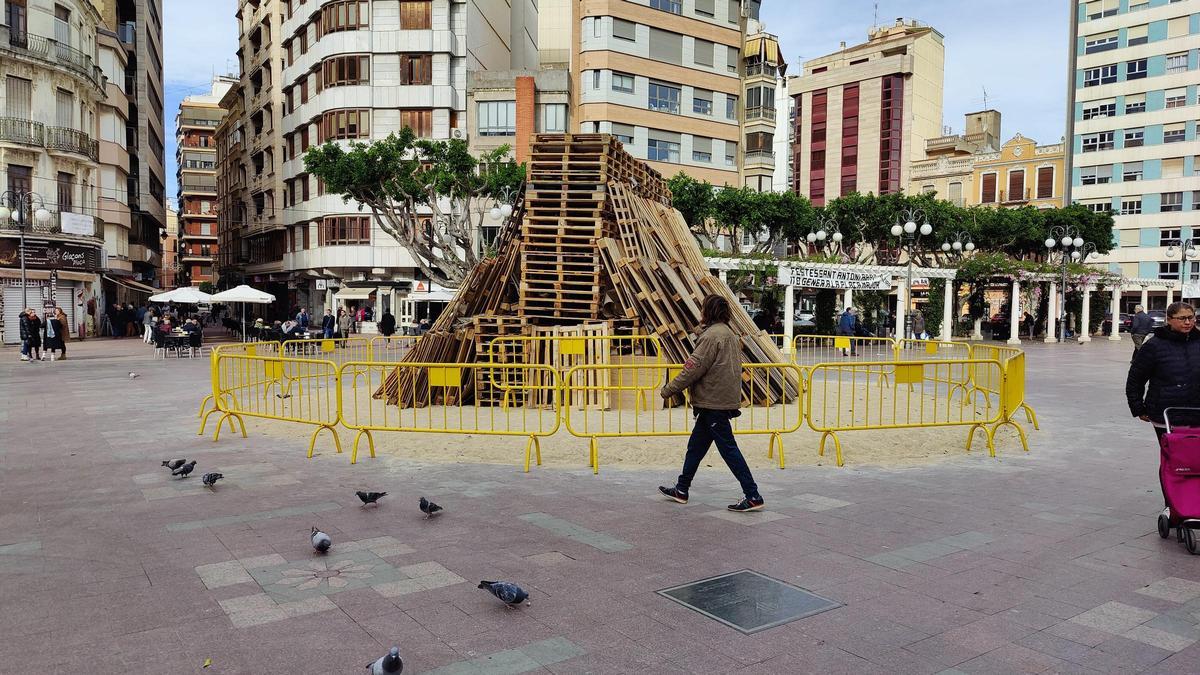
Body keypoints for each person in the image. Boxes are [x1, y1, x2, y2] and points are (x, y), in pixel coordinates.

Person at [658, 294, 764, 513]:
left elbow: (692, 369)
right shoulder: (729, 333)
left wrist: (668, 390)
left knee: (728, 449)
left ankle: (753, 495)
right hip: (718, 400)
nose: (700, 312)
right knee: (695, 447)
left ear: (709, 311)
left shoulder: (711, 337)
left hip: (713, 402)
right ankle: (682, 488)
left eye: (703, 308)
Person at [1126, 302, 1200, 515]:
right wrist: (1138, 407)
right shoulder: (1154, 346)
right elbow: (1136, 378)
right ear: (1169, 320)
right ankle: (1173, 505)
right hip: (1166, 414)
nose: (1188, 322)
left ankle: (1194, 502)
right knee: (1174, 459)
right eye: (1182, 318)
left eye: (1191, 317)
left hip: (1197, 411)